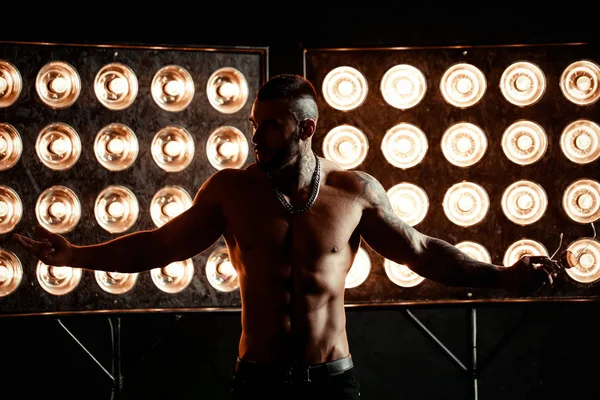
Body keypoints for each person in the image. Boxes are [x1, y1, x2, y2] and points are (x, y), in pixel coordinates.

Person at [12, 73, 562, 400]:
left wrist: (502, 274)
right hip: (258, 383)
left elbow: (421, 253)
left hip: (332, 382)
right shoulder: (232, 192)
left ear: (306, 128)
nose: (258, 137)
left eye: (271, 126)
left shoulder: (354, 193)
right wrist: (77, 254)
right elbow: (159, 246)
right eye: (255, 125)